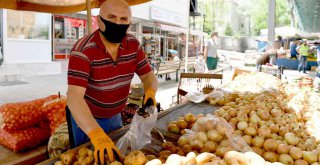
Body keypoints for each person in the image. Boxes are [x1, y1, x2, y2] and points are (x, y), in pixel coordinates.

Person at [66, 0, 158, 164]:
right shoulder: (83, 51)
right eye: (112, 17)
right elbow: (74, 97)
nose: (117, 23)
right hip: (86, 119)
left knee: (114, 158)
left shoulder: (133, 46)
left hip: (115, 116)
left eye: (123, 19)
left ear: (129, 23)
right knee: (86, 160)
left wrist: (150, 92)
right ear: (99, 21)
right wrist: (96, 134)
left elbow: (148, 76)